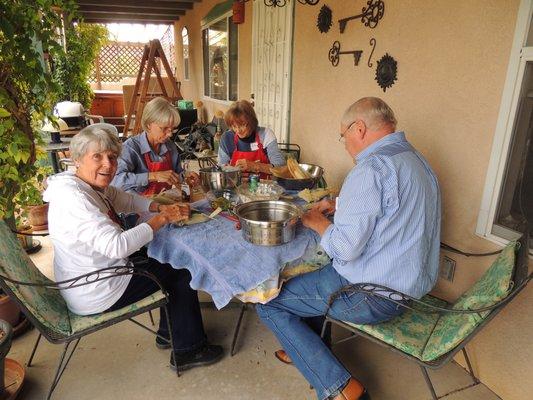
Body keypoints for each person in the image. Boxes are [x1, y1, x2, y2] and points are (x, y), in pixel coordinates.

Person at [256, 97, 441, 400]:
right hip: (410, 289)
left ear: (359, 128)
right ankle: (305, 345)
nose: (344, 143)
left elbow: (345, 249)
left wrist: (317, 222)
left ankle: (340, 388)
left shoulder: (370, 169)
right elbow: (392, 206)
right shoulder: (415, 159)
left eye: (343, 135)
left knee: (269, 303)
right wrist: (339, 203)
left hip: (372, 295)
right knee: (315, 273)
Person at [43, 125, 223, 371]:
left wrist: (158, 208)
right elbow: (117, 246)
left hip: (93, 275)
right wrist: (162, 219)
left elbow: (126, 199)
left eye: (112, 157)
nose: (107, 164)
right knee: (183, 270)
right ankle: (189, 350)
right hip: (97, 289)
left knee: (166, 260)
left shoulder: (86, 185)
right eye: (97, 157)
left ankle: (168, 333)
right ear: (77, 160)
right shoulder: (74, 199)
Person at [112, 97, 199, 196]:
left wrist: (186, 176)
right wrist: (153, 176)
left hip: (161, 202)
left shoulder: (170, 146)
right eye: (165, 128)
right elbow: (115, 181)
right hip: (135, 206)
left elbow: (177, 174)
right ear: (149, 124)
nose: (170, 134)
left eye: (172, 129)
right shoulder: (130, 147)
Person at [218, 100, 286, 177]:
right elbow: (221, 168)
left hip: (263, 186)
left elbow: (281, 167)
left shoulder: (266, 135)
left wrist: (255, 166)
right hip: (236, 186)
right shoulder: (227, 138)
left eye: (242, 125)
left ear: (251, 121)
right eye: (234, 126)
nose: (238, 130)